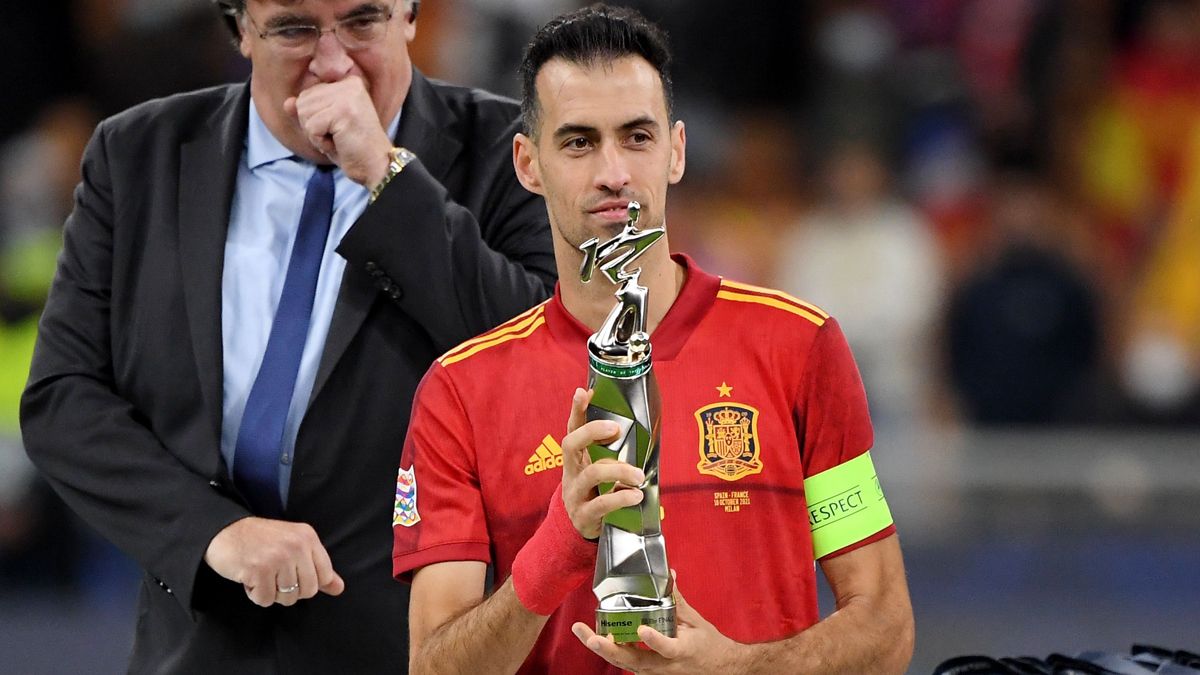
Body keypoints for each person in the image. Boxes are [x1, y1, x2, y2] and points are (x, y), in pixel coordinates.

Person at [19, 0, 555, 671]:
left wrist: (386, 178)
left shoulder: (514, 152)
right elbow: (63, 398)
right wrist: (212, 531)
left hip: (414, 647)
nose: (332, 62)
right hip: (197, 647)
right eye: (295, 28)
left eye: (363, 23)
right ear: (240, 27)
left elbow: (538, 367)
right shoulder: (137, 154)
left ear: (413, 15)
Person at [395, 5, 914, 674]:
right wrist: (558, 543)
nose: (613, 172)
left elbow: (886, 627)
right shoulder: (461, 390)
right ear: (528, 164)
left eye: (636, 137)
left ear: (675, 151)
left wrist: (737, 667)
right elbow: (431, 665)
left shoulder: (798, 346)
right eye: (579, 142)